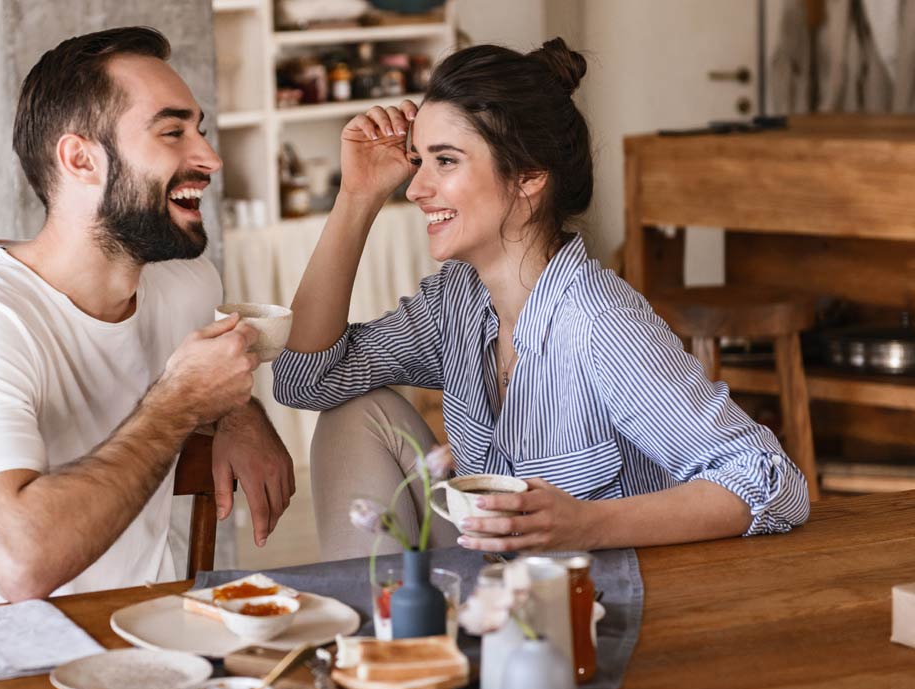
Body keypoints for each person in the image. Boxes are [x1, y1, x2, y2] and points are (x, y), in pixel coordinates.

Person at [272, 40, 809, 561]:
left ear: (528, 177)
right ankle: (387, 648)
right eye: (419, 160)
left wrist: (587, 525)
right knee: (354, 412)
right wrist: (356, 195)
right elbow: (305, 380)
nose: (415, 188)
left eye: (446, 161)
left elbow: (773, 483)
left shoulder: (600, 325)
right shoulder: (456, 303)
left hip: (601, 605)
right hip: (498, 590)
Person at [0, 27, 294, 612]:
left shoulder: (189, 286)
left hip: (148, 634)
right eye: (172, 132)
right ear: (80, 159)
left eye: (200, 131)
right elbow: (21, 562)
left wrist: (240, 414)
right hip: (8, 663)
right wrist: (179, 404)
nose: (209, 159)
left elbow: (210, 387)